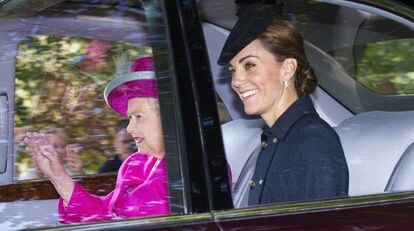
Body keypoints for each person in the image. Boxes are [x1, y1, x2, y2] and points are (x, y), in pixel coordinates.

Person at [217, 2, 349, 205]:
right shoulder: (275, 137)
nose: (236, 81)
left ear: (287, 69)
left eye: (249, 65)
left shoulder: (312, 140)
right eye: (233, 70)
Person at [25, 56, 169, 223]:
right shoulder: (135, 164)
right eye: (130, 117)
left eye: (138, 116)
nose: (129, 128)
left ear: (169, 116)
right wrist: (59, 177)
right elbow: (103, 214)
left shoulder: (187, 170)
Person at [19, 128, 84, 180]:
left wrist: (79, 173)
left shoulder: (74, 171)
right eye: (49, 146)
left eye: (59, 146)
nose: (54, 151)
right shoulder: (29, 176)